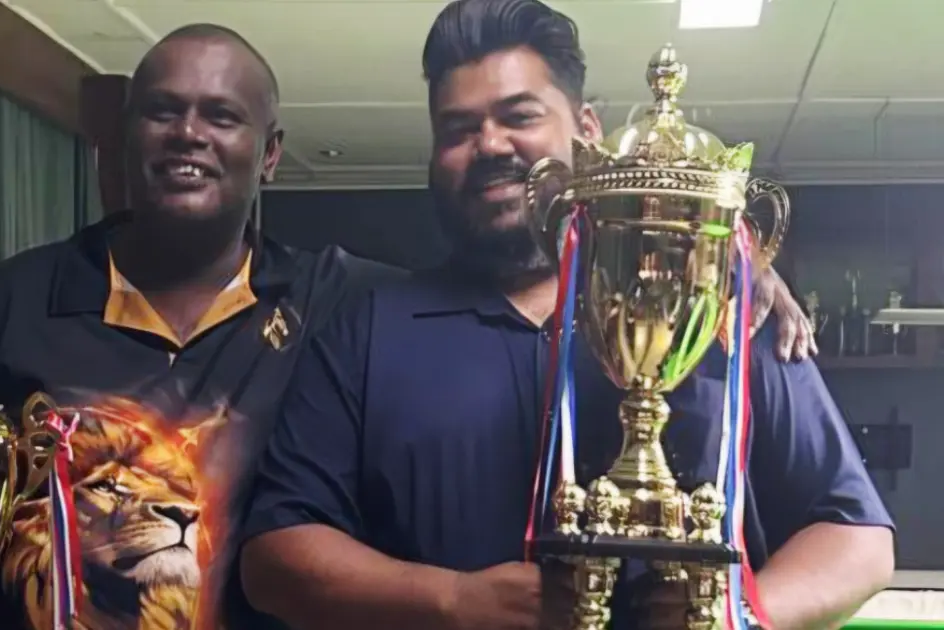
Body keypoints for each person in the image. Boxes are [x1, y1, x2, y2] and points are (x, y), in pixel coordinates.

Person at [0, 17, 809, 630]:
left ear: (268, 155)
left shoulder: (344, 303)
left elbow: (494, 291)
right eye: (162, 112)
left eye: (222, 117)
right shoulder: (8, 302)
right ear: (119, 135)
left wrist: (722, 268)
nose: (189, 134)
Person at [236, 2, 894, 630]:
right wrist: (454, 604)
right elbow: (275, 556)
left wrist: (746, 612)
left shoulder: (719, 312)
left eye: (519, 115)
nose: (490, 144)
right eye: (458, 129)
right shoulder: (369, 331)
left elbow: (858, 539)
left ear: (586, 131)